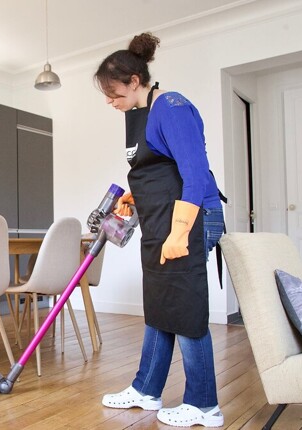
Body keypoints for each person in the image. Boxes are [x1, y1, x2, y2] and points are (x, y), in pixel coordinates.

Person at [94, 32, 225, 428]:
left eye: (113, 92)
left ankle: (204, 405)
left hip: (185, 220)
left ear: (134, 81)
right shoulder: (139, 113)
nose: (110, 101)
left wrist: (180, 233)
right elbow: (155, 166)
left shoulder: (172, 105)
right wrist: (133, 196)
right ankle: (146, 388)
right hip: (158, 221)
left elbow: (195, 174)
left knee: (184, 310)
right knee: (160, 307)